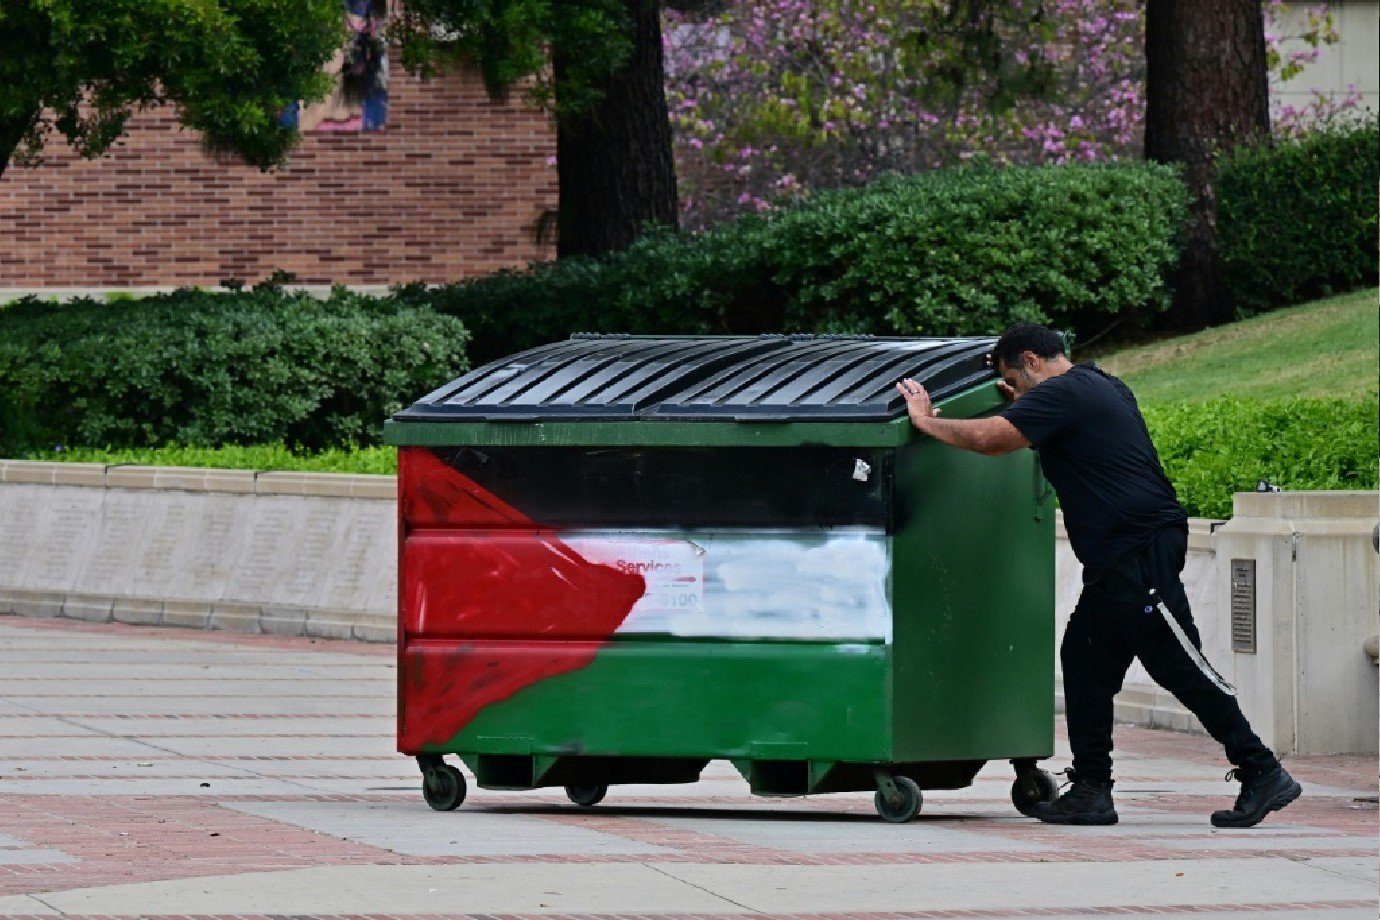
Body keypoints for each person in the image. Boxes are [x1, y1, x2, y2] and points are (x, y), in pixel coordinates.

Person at [895, 322, 1301, 828]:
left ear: (1031, 360)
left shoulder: (1063, 394)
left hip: (1138, 551)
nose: (1015, 392)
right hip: (1115, 560)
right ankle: (1091, 789)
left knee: (1181, 666)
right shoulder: (1097, 384)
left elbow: (990, 438)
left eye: (1015, 381)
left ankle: (1262, 770)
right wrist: (1021, 397)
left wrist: (927, 420)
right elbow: (1034, 414)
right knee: (1084, 662)